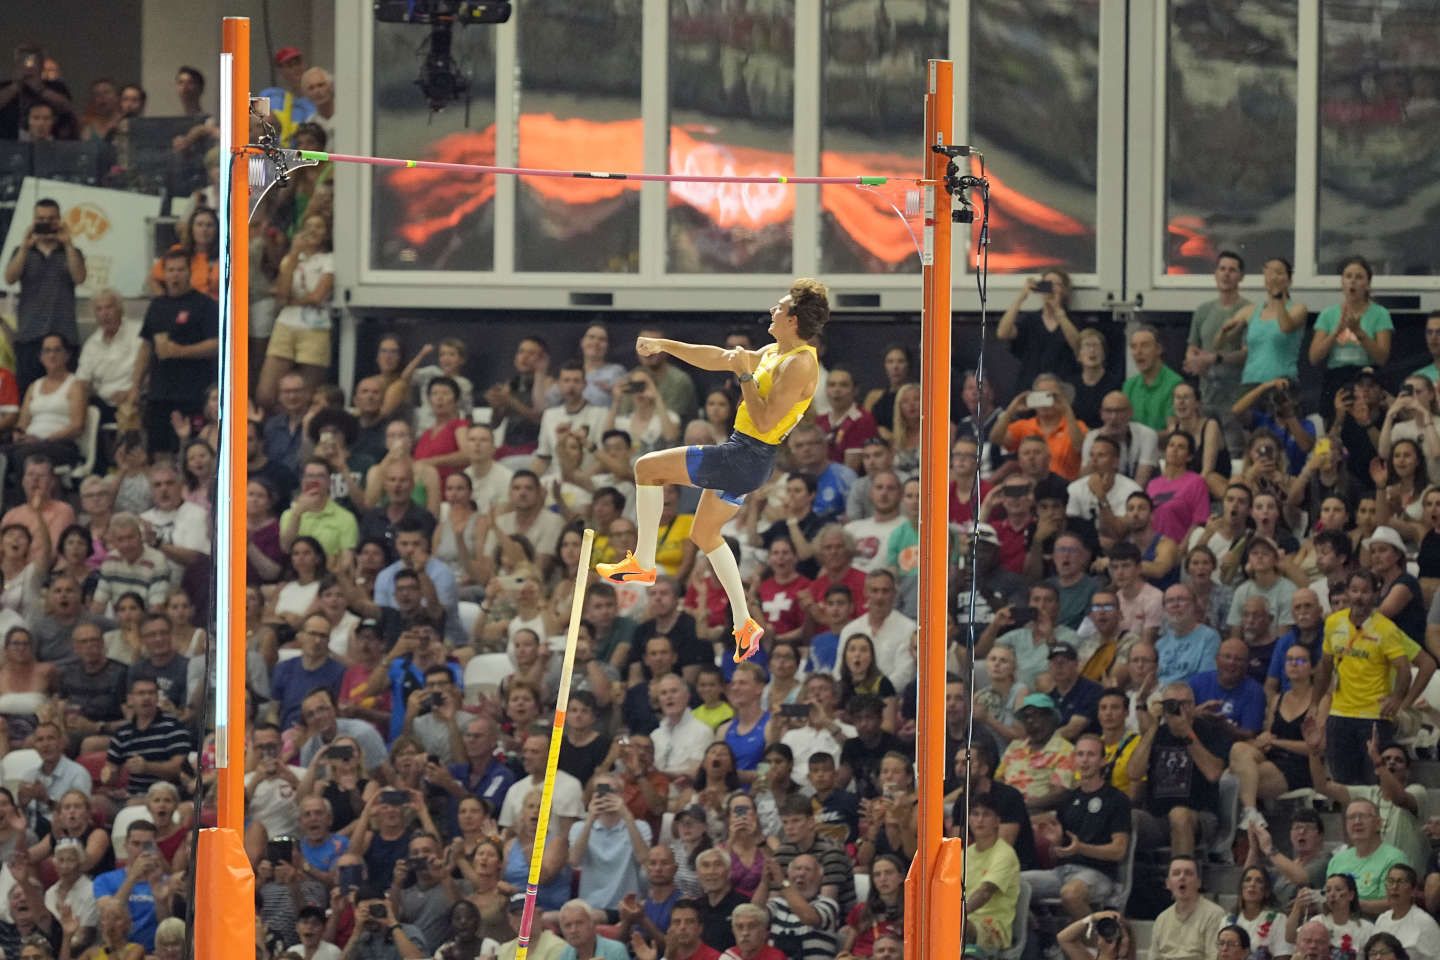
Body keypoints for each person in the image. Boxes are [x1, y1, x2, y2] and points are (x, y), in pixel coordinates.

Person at [598, 279, 829, 662]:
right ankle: (744, 621)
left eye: (779, 307)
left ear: (793, 319)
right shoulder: (776, 351)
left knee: (646, 468)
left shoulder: (801, 363)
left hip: (747, 453)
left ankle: (643, 561)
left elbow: (768, 420)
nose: (772, 310)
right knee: (705, 533)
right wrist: (664, 346)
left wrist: (743, 377)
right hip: (747, 458)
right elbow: (717, 356)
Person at [1316, 571, 1413, 785]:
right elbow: (1324, 665)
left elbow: (1404, 670)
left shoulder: (1386, 629)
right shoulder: (1333, 623)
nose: (1359, 596)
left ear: (1376, 594)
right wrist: (1315, 704)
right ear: (1348, 592)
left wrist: (1396, 700)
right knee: (1343, 785)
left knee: (1374, 782)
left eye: (1365, 591)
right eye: (1354, 590)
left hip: (1373, 717)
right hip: (1339, 715)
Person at [3, 198, 85, 392]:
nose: (47, 223)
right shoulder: (22, 251)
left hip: (64, 336)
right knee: (27, 395)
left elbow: (79, 277)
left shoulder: (71, 251)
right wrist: (25, 246)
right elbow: (10, 278)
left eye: (52, 219)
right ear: (33, 221)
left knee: (65, 394)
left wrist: (68, 244)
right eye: (41, 219)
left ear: (60, 220)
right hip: (30, 337)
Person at [1310, 256, 1393, 411]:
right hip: (1336, 378)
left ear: (1367, 284)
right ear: (1342, 282)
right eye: (1348, 276)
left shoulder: (1380, 314)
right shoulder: (1328, 314)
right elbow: (1314, 357)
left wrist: (1358, 332)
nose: (1352, 281)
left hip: (1366, 377)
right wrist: (1336, 331)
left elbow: (1382, 358)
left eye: (1359, 277)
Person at [961, 795, 1020, 953]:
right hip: (965, 920)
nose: (979, 820)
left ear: (997, 821)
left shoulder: (1005, 853)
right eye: (975, 814)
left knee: (957, 926)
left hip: (993, 929)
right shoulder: (963, 854)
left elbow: (985, 892)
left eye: (986, 814)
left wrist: (956, 915)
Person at [1150, 856, 1227, 960]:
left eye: (1188, 873)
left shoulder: (1214, 915)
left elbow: (1214, 957)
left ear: (1198, 883)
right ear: (1168, 884)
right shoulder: (1161, 919)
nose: (1182, 877)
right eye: (1176, 873)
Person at [1372, 864, 1440, 957]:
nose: (1394, 887)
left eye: (1401, 882)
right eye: (1390, 881)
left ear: (1413, 890)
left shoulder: (1425, 923)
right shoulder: (1382, 919)